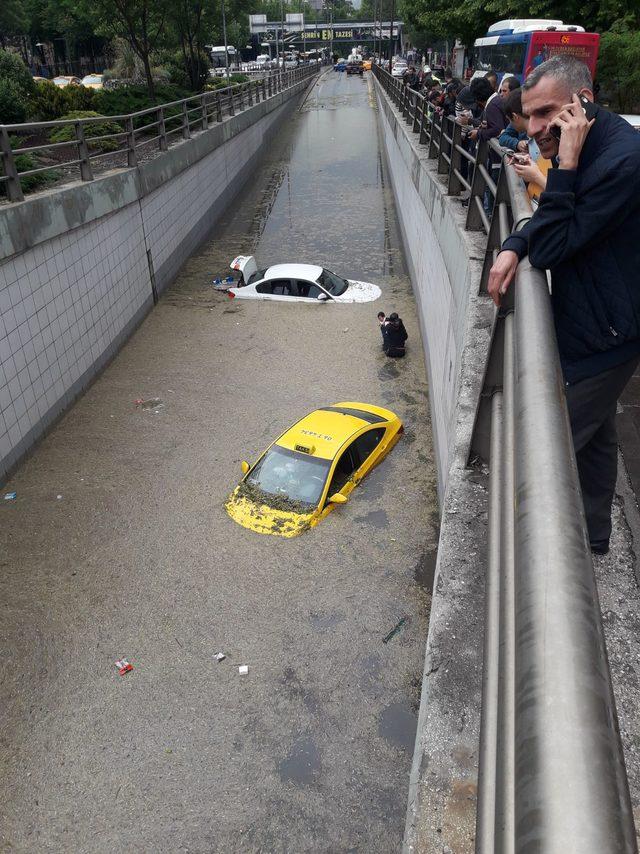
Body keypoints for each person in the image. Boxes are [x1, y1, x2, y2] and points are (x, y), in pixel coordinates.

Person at [487, 55, 640, 555]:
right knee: (597, 441)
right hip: (596, 321)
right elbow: (559, 217)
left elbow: (556, 243)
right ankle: (595, 538)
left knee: (544, 453)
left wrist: (565, 167)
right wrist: (515, 243)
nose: (532, 129)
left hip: (608, 335)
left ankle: (531, 559)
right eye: (528, 115)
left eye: (544, 113)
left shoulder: (620, 161)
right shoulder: (598, 144)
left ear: (583, 103)